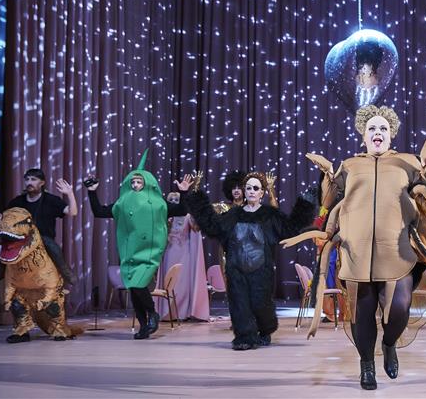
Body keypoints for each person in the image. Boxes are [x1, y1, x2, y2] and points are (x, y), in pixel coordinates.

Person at [281, 105, 426, 390]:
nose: (377, 132)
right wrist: (328, 174)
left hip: (398, 252)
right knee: (362, 314)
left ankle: (390, 343)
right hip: (356, 252)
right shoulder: (349, 165)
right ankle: (367, 364)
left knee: (400, 307)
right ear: (363, 135)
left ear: (391, 134)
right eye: (372, 128)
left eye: (383, 128)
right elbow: (328, 201)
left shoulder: (408, 162)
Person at [185, 170, 314, 351]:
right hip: (236, 270)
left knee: (261, 304)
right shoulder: (233, 215)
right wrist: (196, 197)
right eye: (248, 188)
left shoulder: (269, 215)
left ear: (262, 193)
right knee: (240, 304)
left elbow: (290, 227)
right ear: (244, 192)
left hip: (261, 270)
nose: (252, 191)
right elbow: (212, 225)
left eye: (256, 188)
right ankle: (244, 337)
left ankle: (265, 330)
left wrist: (306, 204)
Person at [86, 150, 193, 339]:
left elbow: (182, 211)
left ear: (147, 183)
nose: (135, 185)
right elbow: (99, 212)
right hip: (130, 254)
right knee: (134, 290)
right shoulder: (122, 203)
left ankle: (152, 313)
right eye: (133, 182)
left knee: (138, 283)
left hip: (149, 254)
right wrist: (92, 192)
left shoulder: (159, 204)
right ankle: (144, 326)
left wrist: (184, 193)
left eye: (139, 182)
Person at [0, 169, 78, 285]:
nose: (29, 182)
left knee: (49, 242)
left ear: (42, 183)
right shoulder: (17, 202)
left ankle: (65, 271)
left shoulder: (51, 200)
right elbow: (1, 219)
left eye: (33, 179)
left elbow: (72, 212)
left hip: (42, 240)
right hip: (20, 239)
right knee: (5, 242)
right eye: (27, 179)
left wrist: (70, 194)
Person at [155, 192, 209, 321]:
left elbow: (196, 229)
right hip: (169, 253)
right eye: (171, 200)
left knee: (183, 284)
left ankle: (182, 313)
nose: (174, 202)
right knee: (170, 282)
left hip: (185, 254)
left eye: (176, 199)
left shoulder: (188, 216)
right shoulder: (165, 217)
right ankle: (169, 313)